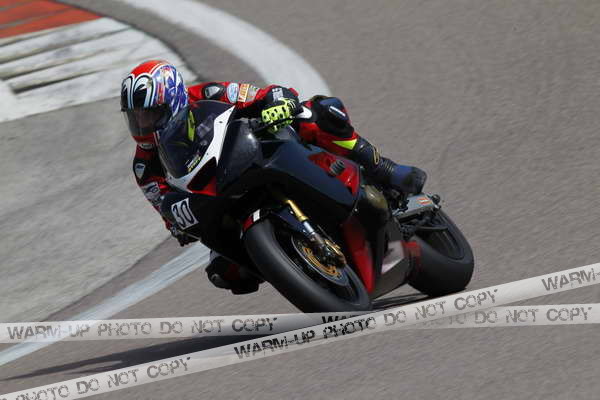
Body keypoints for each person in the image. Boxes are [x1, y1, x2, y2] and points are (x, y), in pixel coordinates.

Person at [121, 59, 427, 294]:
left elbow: (265, 94)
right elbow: (165, 207)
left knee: (315, 113)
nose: (142, 124)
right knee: (224, 273)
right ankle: (297, 267)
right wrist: (178, 221)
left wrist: (277, 104)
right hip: (217, 201)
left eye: (149, 114)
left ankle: (383, 169)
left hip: (254, 155)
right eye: (135, 117)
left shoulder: (208, 94)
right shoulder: (144, 166)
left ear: (174, 98)